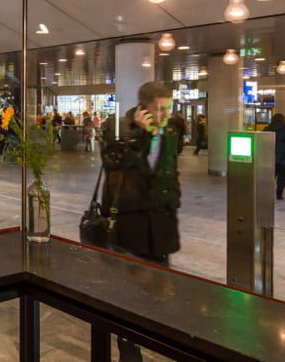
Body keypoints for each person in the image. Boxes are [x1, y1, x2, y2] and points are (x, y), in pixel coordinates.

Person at [101, 81, 181, 361]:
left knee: (159, 293)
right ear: (143, 107)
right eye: (159, 109)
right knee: (130, 296)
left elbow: (169, 170)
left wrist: (174, 200)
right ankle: (129, 351)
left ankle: (154, 340)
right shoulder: (122, 131)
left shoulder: (169, 131)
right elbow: (122, 165)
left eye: (168, 108)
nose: (164, 114)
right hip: (131, 228)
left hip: (161, 225)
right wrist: (143, 134)